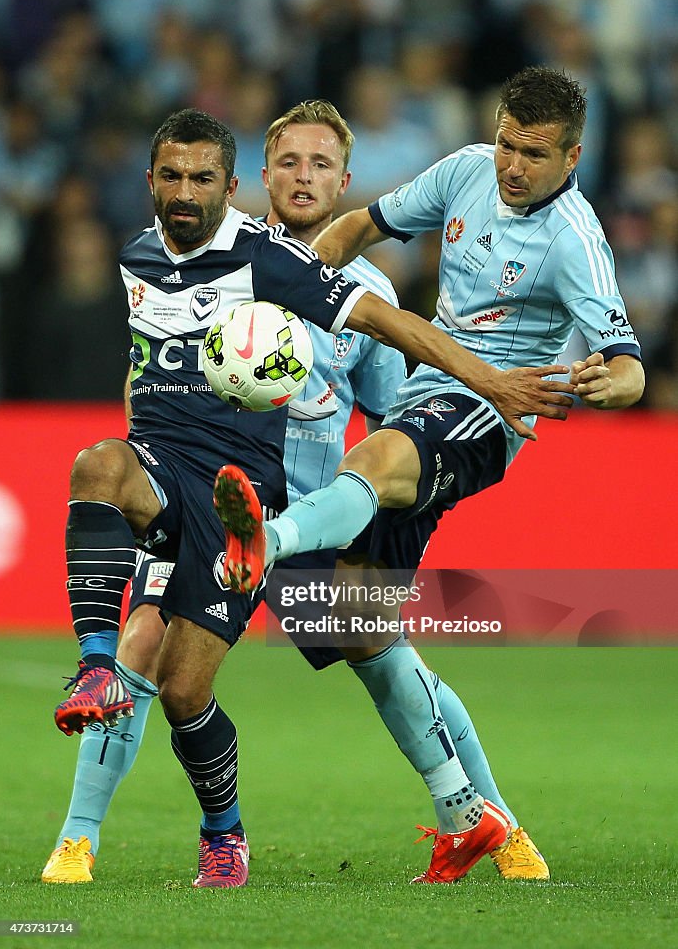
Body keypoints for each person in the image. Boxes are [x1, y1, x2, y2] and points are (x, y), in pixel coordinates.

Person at [50, 103, 572, 889]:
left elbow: (398, 409)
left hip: (304, 519)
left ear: (343, 182)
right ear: (259, 177)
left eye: (320, 164)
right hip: (209, 503)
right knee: (141, 649)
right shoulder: (197, 257)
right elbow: (146, 372)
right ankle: (76, 840)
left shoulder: (358, 289)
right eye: (288, 161)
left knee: (382, 654)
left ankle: (494, 822)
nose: (303, 176)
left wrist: (425, 472)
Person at [214, 67, 645, 883]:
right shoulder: (463, 170)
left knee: (371, 459)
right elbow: (355, 228)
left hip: (492, 411)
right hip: (426, 396)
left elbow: (629, 368)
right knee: (366, 633)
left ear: (573, 156)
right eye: (508, 144)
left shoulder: (574, 242)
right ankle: (490, 827)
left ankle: (261, 542)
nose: (512, 167)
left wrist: (605, 384)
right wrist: (294, 277)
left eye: (534, 155)